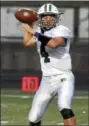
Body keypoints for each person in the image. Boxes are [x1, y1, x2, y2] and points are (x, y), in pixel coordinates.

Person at [21, 3, 77, 126]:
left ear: (56, 17)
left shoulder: (62, 30)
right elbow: (27, 43)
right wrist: (27, 26)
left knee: (65, 107)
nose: (48, 19)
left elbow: (53, 44)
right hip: (47, 80)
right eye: (45, 16)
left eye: (51, 16)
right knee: (33, 118)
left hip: (64, 77)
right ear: (40, 18)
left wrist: (34, 32)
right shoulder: (38, 31)